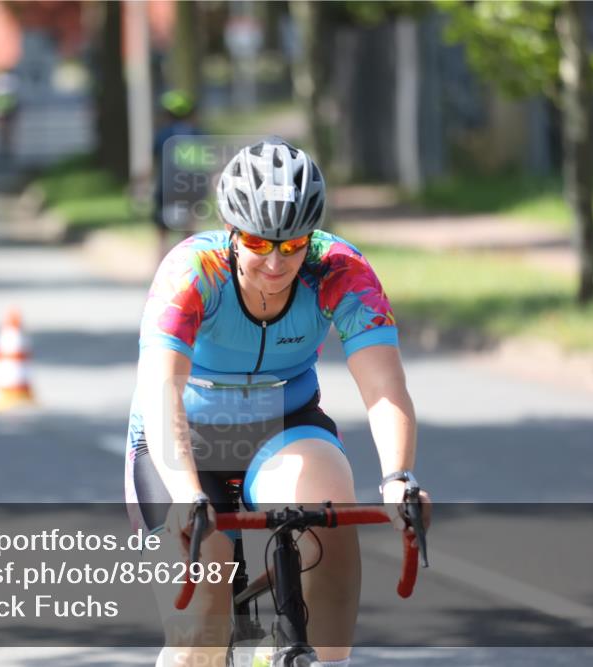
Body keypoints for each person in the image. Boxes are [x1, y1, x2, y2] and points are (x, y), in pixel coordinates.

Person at [124, 138, 432, 666]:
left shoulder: (339, 269)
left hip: (284, 429)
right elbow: (162, 391)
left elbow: (384, 386)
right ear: (230, 231)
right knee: (204, 611)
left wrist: (399, 478)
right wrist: (186, 495)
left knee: (330, 519)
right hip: (182, 438)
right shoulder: (190, 273)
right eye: (258, 242)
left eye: (292, 246)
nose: (274, 261)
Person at [151, 90, 202, 264]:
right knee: (189, 233)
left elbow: (155, 162)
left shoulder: (162, 135)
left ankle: (160, 269)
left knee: (162, 234)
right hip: (190, 189)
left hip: (166, 189)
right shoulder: (198, 135)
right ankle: (190, 267)